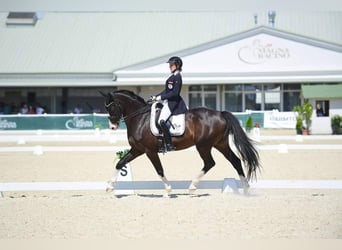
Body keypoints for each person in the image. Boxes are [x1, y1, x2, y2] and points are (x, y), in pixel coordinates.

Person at [150, 56, 188, 152]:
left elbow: (174, 93)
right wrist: (156, 97)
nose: (170, 66)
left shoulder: (177, 77)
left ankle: (168, 144)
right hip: (169, 101)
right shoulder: (172, 76)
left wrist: (161, 98)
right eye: (170, 65)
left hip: (173, 103)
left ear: (177, 65)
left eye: (172, 65)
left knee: (161, 120)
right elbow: (166, 91)